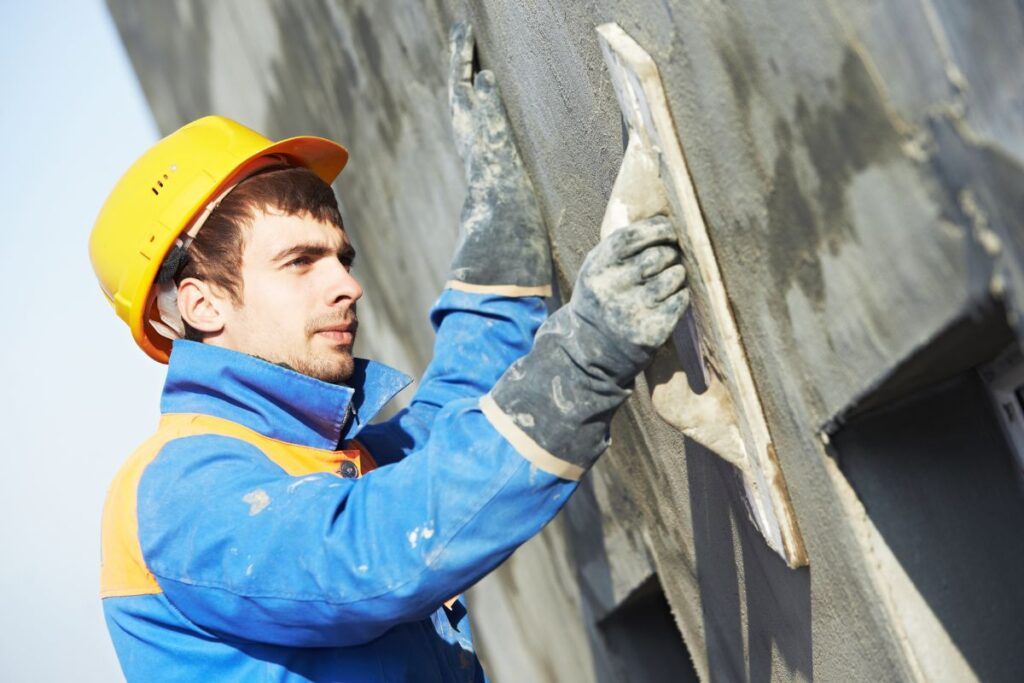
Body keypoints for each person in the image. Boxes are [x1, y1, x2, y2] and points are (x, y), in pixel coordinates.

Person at [92, 24, 688, 681]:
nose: (347, 284)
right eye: (300, 262)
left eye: (341, 257)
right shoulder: (176, 491)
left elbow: (451, 425)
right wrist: (584, 359)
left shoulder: (332, 459)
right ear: (203, 304)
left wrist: (500, 222)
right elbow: (367, 556)